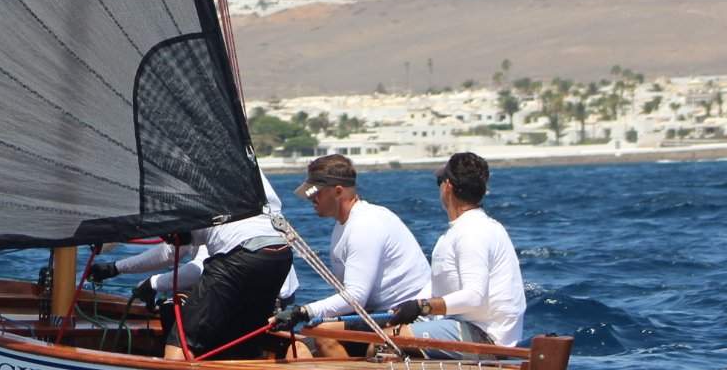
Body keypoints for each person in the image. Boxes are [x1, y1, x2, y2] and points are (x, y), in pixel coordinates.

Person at [88, 175, 295, 357]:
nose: (168, 238)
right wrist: (116, 268)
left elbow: (199, 268)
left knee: (178, 332)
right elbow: (171, 251)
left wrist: (153, 283)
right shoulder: (234, 188)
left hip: (241, 260)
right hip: (279, 258)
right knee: (242, 344)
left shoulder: (196, 199)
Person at [274, 155, 429, 342]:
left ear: (338, 191)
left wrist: (304, 311)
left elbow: (355, 297)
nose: (311, 198)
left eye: (317, 192)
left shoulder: (365, 224)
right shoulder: (343, 225)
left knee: (323, 334)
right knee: (305, 337)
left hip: (409, 316)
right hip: (376, 313)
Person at [384, 152, 527, 346]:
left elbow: (473, 297)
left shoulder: (473, 232)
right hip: (458, 325)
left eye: (439, 182)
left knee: (380, 342)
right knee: (366, 334)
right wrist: (401, 311)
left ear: (447, 187)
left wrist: (421, 307)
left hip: (486, 337)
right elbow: (436, 288)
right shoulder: (462, 230)